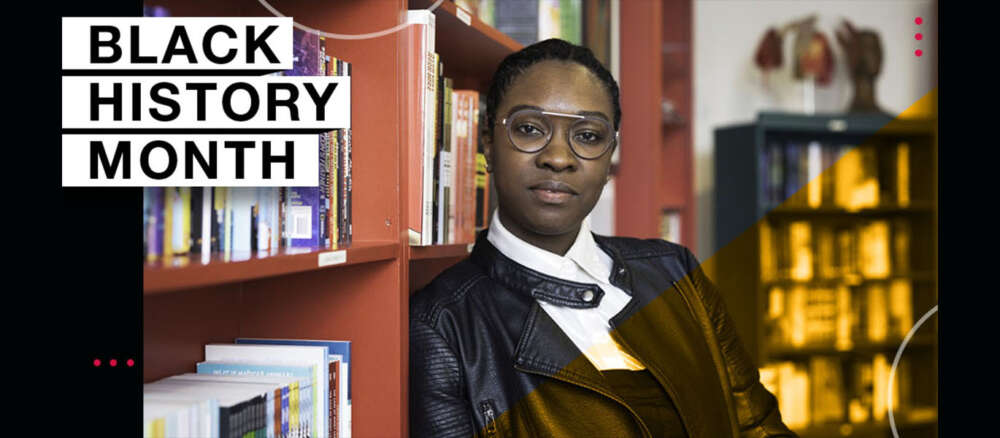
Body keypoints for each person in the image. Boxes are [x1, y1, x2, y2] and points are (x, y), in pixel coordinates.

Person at [409, 38, 797, 438]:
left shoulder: (677, 274)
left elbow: (757, 425)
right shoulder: (442, 324)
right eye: (529, 129)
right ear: (487, 143)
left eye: (589, 136)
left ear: (610, 154)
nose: (558, 157)